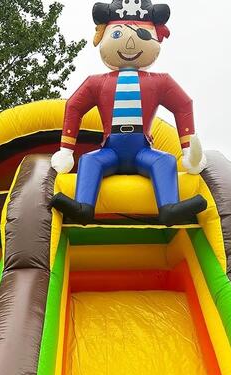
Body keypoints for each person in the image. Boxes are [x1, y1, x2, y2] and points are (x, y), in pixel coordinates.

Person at [51, 0, 208, 226]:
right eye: (117, 34)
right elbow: (73, 106)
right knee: (89, 160)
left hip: (142, 151)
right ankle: (84, 208)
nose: (131, 43)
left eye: (142, 35)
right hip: (110, 151)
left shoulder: (160, 82)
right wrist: (66, 150)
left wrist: (188, 150)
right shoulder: (96, 83)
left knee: (165, 161)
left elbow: (183, 105)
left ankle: (169, 209)